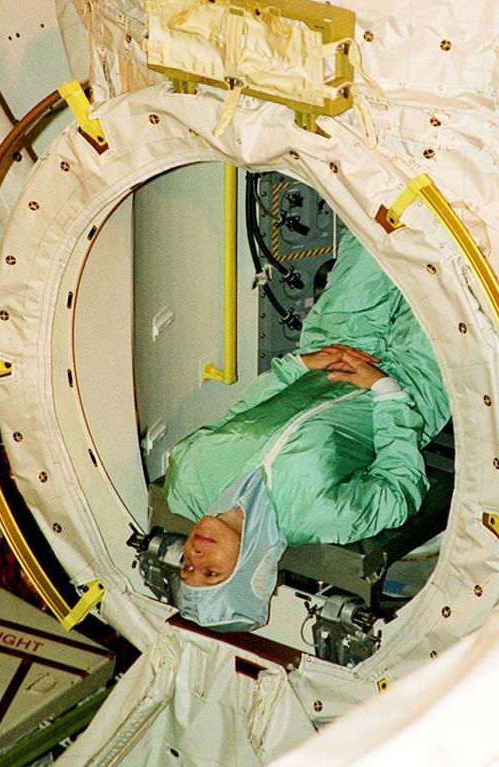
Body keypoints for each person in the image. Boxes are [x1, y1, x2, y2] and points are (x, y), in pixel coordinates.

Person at [164, 230, 451, 632]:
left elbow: (246, 412)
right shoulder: (318, 515)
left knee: (382, 224)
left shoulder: (190, 477)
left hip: (335, 345)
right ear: (251, 571)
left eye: (187, 568)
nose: (196, 556)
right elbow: (399, 485)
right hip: (412, 383)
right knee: (459, 274)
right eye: (211, 573)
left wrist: (301, 365)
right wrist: (384, 389)